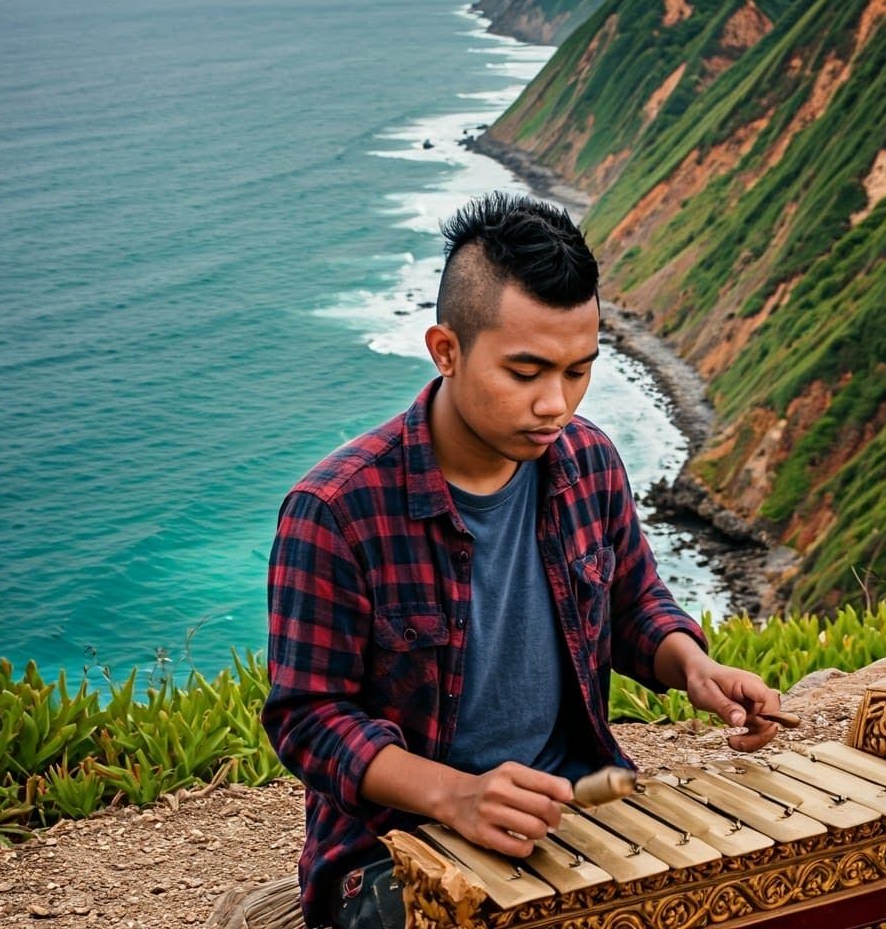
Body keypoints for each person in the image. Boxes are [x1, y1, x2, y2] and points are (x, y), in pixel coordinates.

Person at [262, 191, 782, 929]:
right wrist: (455, 795)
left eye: (577, 371)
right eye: (526, 371)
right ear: (446, 351)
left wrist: (694, 668)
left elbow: (634, 605)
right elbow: (307, 719)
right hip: (397, 849)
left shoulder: (589, 461)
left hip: (581, 802)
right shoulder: (336, 509)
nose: (555, 405)